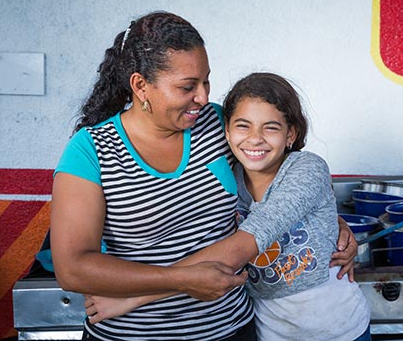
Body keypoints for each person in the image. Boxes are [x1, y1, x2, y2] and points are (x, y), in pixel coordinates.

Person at [50, 11, 358, 340]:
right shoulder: (90, 151)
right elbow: (73, 268)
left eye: (206, 81)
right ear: (141, 85)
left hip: (231, 330)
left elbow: (285, 186)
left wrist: (331, 224)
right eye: (187, 87)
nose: (203, 97)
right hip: (128, 335)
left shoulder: (217, 124)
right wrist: (178, 281)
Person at [84, 72, 371, 340]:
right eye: (243, 126)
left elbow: (241, 246)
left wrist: (131, 299)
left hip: (339, 328)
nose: (255, 139)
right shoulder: (229, 179)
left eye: (271, 128)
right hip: (270, 330)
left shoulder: (307, 169)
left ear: (291, 134)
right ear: (227, 131)